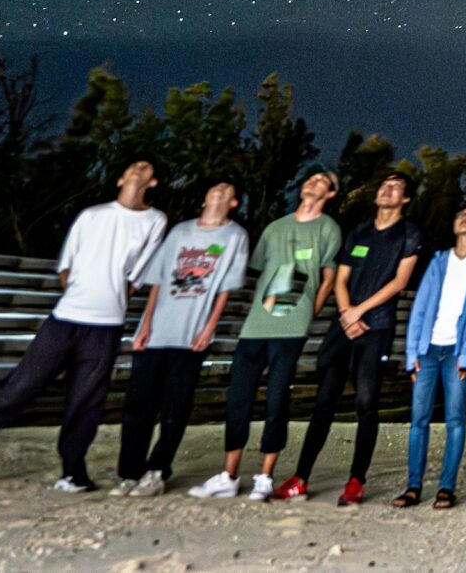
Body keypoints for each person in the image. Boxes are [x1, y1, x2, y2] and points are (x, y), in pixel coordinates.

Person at [0, 158, 168, 493]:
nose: (138, 168)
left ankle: (73, 473)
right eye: (132, 166)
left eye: (146, 168)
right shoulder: (91, 216)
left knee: (85, 403)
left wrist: (109, 297)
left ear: (153, 182)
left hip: (105, 328)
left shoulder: (155, 220)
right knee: (15, 390)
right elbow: (66, 266)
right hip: (64, 322)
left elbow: (137, 276)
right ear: (120, 178)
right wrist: (80, 293)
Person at [190, 168, 340, 499]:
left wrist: (308, 313)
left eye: (322, 183)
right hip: (257, 324)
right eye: (310, 179)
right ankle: (229, 475)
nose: (313, 184)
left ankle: (265, 476)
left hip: (292, 324)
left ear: (329, 194)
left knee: (276, 398)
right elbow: (260, 271)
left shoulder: (328, 229)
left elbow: (328, 278)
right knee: (239, 396)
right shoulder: (275, 228)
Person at [283, 172, 425, 505]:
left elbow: (400, 281)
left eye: (395, 187)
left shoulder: (409, 232)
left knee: (366, 404)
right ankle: (300, 477)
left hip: (375, 327)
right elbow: (341, 278)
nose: (386, 189)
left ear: (405, 199)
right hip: (344, 325)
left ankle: (356, 481)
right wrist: (347, 313)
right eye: (383, 184)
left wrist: (360, 312)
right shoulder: (359, 231)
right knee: (324, 403)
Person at [116, 179, 248, 496]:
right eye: (214, 188)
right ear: (204, 197)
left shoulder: (235, 236)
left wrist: (208, 328)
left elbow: (226, 289)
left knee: (175, 407)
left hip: (191, 336)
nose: (219, 192)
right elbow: (160, 280)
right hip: (156, 332)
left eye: (227, 191)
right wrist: (145, 325)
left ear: (233, 203)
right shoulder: (180, 232)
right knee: (138, 405)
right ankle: (130, 472)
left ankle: (157, 471)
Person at [395, 202, 466, 509]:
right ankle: (413, 485)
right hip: (428, 349)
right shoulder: (438, 261)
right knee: (418, 419)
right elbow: (421, 306)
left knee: (455, 418)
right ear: (454, 225)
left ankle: (446, 487)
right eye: (460, 215)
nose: (465, 219)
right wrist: (412, 350)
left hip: (457, 352)